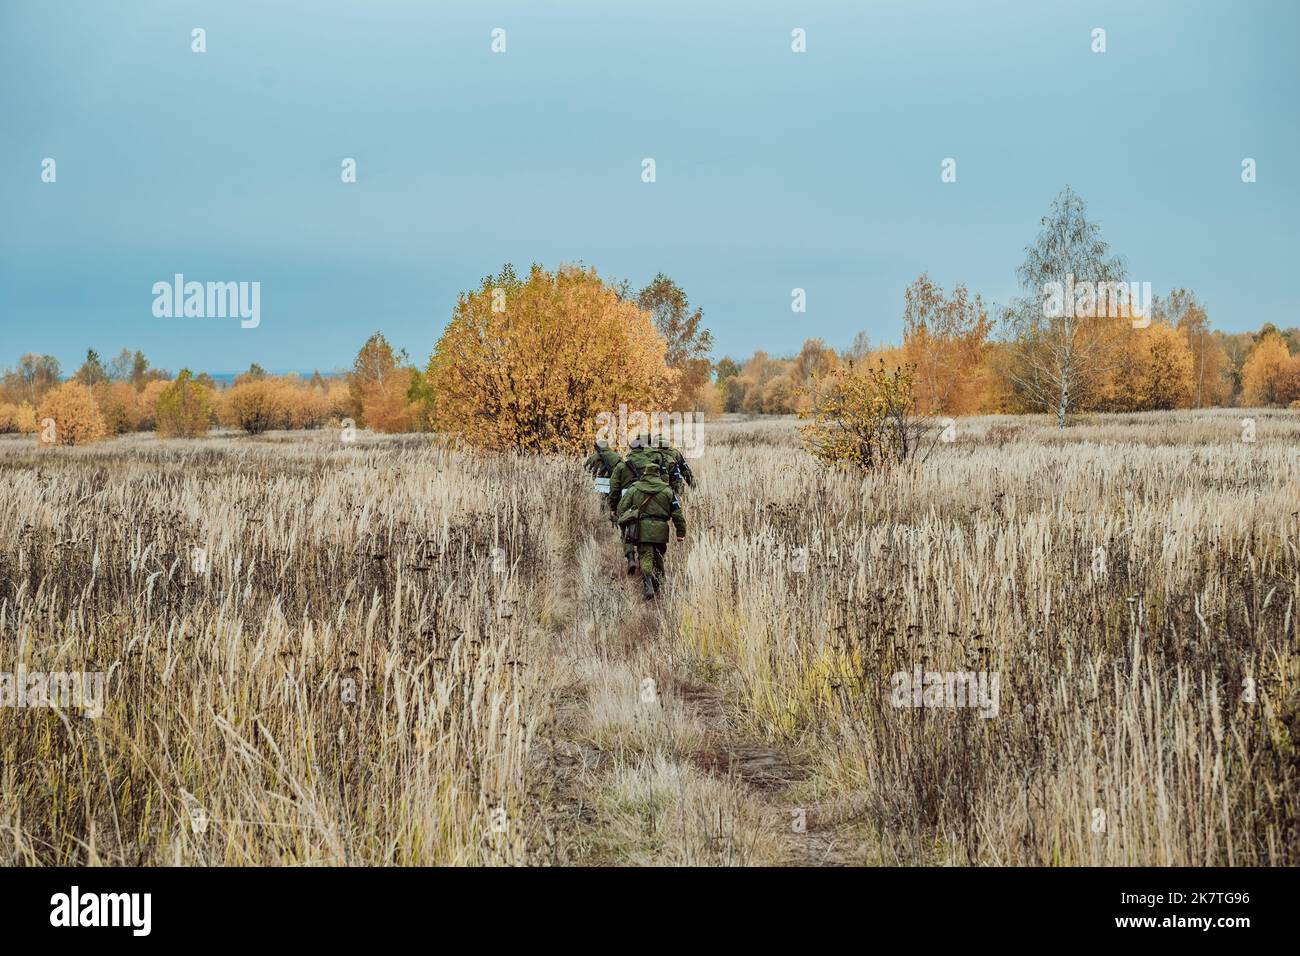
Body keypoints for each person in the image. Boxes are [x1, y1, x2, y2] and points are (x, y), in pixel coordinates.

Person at [615, 460, 685, 599]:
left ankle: (648, 585)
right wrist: (680, 532)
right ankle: (658, 584)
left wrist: (630, 514)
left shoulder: (635, 488)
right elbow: (677, 513)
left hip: (642, 529)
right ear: (658, 474)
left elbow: (621, 508)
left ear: (645, 473)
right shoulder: (667, 490)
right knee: (659, 558)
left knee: (645, 556)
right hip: (661, 530)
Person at [608, 433, 659, 573]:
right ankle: (650, 561)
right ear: (643, 449)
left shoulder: (621, 466)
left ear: (630, 449)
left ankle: (630, 557)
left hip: (627, 500)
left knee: (626, 529)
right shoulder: (651, 464)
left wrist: (613, 507)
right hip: (647, 500)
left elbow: (614, 488)